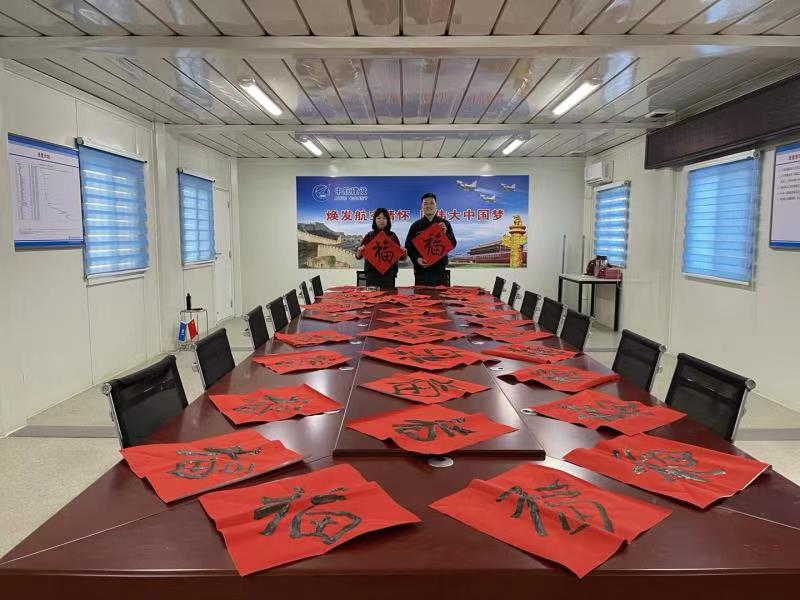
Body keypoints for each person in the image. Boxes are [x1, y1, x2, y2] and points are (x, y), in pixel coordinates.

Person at [404, 192, 457, 287]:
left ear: (436, 206)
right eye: (425, 204)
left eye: (431, 203)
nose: (429, 206)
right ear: (422, 207)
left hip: (439, 269)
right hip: (421, 270)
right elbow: (409, 247)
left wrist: (444, 234)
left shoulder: (445, 224)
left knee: (441, 295)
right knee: (421, 295)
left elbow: (453, 244)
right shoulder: (415, 226)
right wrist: (417, 259)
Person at [355, 207, 406, 288]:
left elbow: (401, 257)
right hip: (372, 275)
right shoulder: (369, 236)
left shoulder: (392, 236)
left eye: (384, 218)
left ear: (388, 220)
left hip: (389, 275)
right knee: (372, 296)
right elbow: (358, 256)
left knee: (388, 295)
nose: (381, 220)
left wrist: (404, 253)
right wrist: (359, 251)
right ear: (374, 220)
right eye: (378, 218)